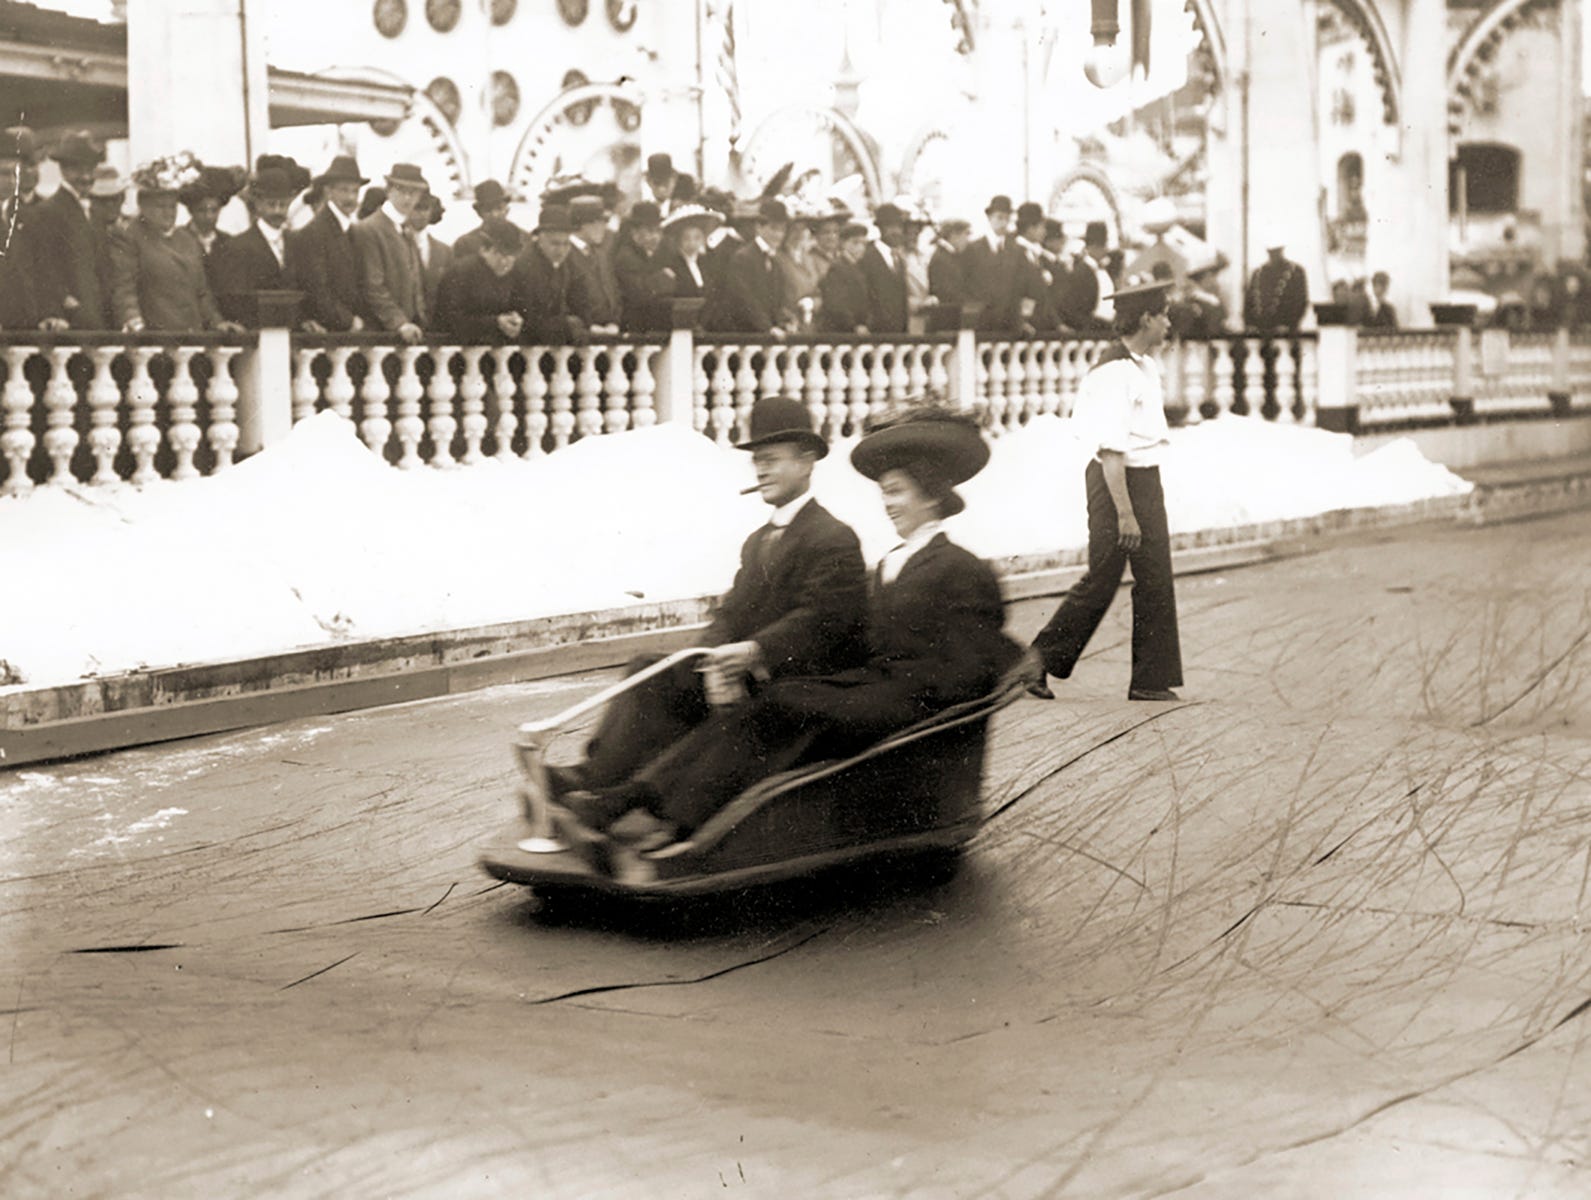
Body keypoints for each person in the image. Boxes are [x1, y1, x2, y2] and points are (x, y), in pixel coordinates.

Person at [550, 407, 1020, 859]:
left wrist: (890, 692)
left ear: (932, 495)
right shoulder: (892, 563)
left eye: (896, 492)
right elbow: (859, 636)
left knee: (781, 703)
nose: (888, 504)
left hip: (914, 708)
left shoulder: (963, 568)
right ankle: (626, 796)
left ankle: (673, 818)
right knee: (770, 700)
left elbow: (969, 666)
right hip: (871, 689)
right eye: (885, 493)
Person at [547, 395, 868, 816]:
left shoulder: (834, 538)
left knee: (748, 707)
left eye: (771, 459)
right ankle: (594, 777)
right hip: (743, 670)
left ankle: (628, 800)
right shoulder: (758, 541)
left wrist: (752, 654)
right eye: (757, 461)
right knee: (652, 669)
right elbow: (731, 612)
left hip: (796, 683)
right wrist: (709, 660)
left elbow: (820, 622)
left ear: (807, 462)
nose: (762, 469)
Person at [1028, 279, 1183, 703]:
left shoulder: (1144, 367)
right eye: (1165, 315)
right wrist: (1125, 513)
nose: (1169, 323)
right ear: (1147, 319)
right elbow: (1111, 452)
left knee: (1155, 578)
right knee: (1102, 578)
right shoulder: (1114, 372)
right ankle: (1033, 664)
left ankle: (1150, 679)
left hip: (1144, 479)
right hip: (1116, 483)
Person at [109, 171, 241, 333]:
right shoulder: (130, 237)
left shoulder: (187, 239)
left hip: (192, 337)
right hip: (155, 338)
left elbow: (202, 292)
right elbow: (124, 288)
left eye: (172, 206)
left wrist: (217, 322)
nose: (168, 213)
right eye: (161, 206)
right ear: (143, 207)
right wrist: (134, 322)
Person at [26, 130, 106, 330]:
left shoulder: (95, 212)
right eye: (78, 169)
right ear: (63, 170)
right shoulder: (48, 211)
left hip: (99, 315)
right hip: (72, 318)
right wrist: (64, 302)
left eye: (90, 169)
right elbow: (45, 268)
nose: (86, 176)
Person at [351, 162, 431, 342]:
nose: (408, 198)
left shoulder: (406, 229)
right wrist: (400, 323)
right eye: (402, 190)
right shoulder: (370, 229)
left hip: (410, 334)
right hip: (382, 335)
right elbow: (372, 286)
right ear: (388, 190)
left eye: (414, 192)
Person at [288, 155, 368, 333]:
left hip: (354, 332)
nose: (350, 197)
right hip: (330, 333)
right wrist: (349, 321)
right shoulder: (314, 233)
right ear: (329, 191)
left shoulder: (354, 232)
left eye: (355, 191)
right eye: (344, 190)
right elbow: (317, 290)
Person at [210, 166, 295, 324]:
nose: (277, 211)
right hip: (255, 334)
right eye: (271, 204)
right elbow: (233, 301)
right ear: (258, 205)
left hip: (292, 334)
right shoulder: (238, 247)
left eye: (283, 205)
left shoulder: (295, 242)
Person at [701, 197, 791, 335]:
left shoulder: (775, 262)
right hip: (745, 334)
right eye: (773, 228)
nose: (779, 235)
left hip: (766, 335)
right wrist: (767, 328)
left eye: (782, 230)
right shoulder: (743, 258)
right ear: (759, 227)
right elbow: (744, 300)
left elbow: (778, 301)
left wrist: (784, 322)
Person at [431, 216, 525, 343]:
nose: (504, 261)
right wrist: (495, 322)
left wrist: (515, 319)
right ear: (484, 250)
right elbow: (449, 319)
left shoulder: (514, 275)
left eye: (510, 256)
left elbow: (520, 307)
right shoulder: (461, 273)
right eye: (499, 254)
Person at [514, 203, 587, 344]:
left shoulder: (569, 265)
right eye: (555, 244)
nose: (561, 251)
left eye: (566, 244)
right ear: (540, 239)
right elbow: (529, 317)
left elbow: (582, 302)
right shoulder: (526, 266)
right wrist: (567, 324)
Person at [961, 194, 1027, 333]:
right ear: (990, 218)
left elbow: (1019, 287)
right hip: (981, 323)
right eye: (999, 217)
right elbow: (966, 284)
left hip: (1009, 324)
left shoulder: (1016, 250)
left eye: (1006, 219)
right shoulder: (973, 249)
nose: (1003, 223)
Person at [612, 200, 676, 333]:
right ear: (634, 232)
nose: (656, 237)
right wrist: (662, 279)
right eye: (650, 231)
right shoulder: (626, 257)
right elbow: (638, 294)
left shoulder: (656, 254)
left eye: (659, 231)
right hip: (634, 329)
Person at [569, 193, 621, 332]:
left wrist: (614, 322)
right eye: (598, 222)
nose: (604, 227)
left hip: (608, 334)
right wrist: (588, 326)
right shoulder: (566, 255)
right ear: (582, 224)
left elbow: (614, 293)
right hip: (580, 337)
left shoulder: (601, 255)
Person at [860, 203, 911, 334]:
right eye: (890, 226)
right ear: (881, 229)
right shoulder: (867, 256)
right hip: (875, 332)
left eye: (899, 227)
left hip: (898, 333)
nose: (897, 232)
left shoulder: (899, 259)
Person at [1244, 231, 1310, 331]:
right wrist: (1250, 324)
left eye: (1276, 251)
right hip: (1260, 331)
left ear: (1282, 250)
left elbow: (1301, 302)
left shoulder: (1296, 272)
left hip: (1287, 331)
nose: (1273, 254)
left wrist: (1289, 324)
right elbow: (1249, 302)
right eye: (1271, 251)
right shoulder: (1258, 273)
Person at [658, 204, 721, 302]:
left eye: (697, 238)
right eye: (686, 238)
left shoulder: (707, 262)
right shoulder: (673, 265)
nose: (692, 243)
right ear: (679, 240)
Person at [818, 222, 872, 333]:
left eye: (863, 244)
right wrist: (853, 325)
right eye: (855, 243)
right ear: (843, 244)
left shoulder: (860, 268)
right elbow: (836, 304)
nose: (860, 248)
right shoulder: (837, 268)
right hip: (843, 331)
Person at [452, 180, 524, 262]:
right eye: (488, 210)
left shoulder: (524, 239)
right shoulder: (465, 244)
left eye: (499, 208)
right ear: (479, 213)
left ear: (507, 209)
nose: (495, 214)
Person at [407, 190, 451, 320]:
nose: (421, 214)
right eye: (416, 208)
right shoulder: (395, 246)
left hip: (436, 328)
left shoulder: (445, 251)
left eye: (425, 208)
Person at [776, 212, 824, 331]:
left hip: (812, 322)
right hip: (788, 324)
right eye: (794, 230)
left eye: (803, 229)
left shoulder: (809, 258)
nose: (799, 234)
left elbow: (820, 291)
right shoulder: (777, 258)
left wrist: (813, 303)